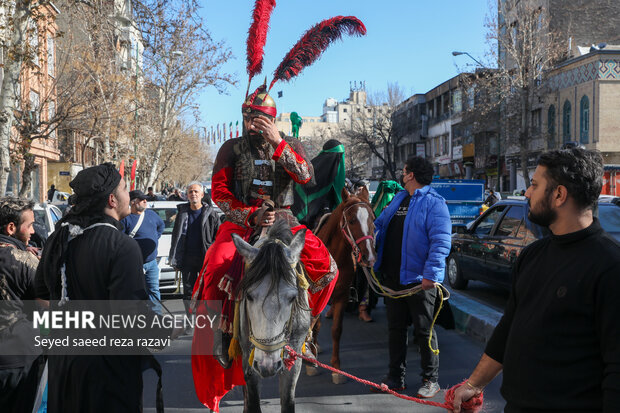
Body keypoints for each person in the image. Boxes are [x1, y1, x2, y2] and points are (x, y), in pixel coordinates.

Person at [191, 84, 338, 411]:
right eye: (248, 118)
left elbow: (306, 177)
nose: (252, 124)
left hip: (285, 221)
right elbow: (220, 194)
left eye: (259, 119)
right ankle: (223, 332)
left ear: (271, 120)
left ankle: (305, 333)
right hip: (242, 221)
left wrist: (277, 143)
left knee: (329, 268)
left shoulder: (291, 143)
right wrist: (251, 214)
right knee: (215, 264)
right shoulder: (230, 149)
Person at [452, 148, 620, 413]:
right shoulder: (532, 255)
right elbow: (507, 329)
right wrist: (474, 385)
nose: (527, 193)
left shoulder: (610, 265)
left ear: (559, 195)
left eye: (534, 185)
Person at [34, 163, 173, 413]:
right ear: (111, 199)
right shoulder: (122, 246)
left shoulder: (59, 237)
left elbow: (42, 300)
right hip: (108, 378)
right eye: (124, 188)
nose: (128, 195)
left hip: (64, 371)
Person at [372, 156, 451, 398]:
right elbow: (379, 226)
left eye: (404, 170)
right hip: (392, 280)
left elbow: (441, 242)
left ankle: (431, 380)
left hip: (419, 282)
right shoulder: (398, 198)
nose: (401, 173)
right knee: (396, 329)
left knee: (424, 331)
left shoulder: (435, 203)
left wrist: (432, 275)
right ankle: (396, 377)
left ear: (411, 175)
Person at [0, 197, 45, 412]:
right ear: (11, 228)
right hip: (17, 361)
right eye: (30, 225)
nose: (33, 231)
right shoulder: (25, 262)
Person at [168, 182, 220, 317]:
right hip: (187, 259)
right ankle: (189, 319)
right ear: (187, 195)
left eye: (196, 192)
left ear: (202, 195)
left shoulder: (212, 214)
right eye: (190, 192)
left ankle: (204, 319)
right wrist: (174, 259)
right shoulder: (182, 213)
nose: (193, 194)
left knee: (206, 290)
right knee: (188, 292)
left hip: (205, 258)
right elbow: (176, 237)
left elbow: (218, 237)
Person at [121, 190, 165, 304]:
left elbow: (161, 226)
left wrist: (155, 237)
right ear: (133, 202)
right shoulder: (125, 218)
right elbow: (119, 241)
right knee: (134, 295)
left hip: (152, 263)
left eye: (145, 199)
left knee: (154, 292)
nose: (145, 201)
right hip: (133, 265)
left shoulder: (151, 214)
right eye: (142, 199)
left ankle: (156, 319)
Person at [292, 138, 346, 230]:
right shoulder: (310, 169)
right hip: (306, 219)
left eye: (340, 156)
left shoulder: (337, 175)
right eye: (334, 155)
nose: (337, 160)